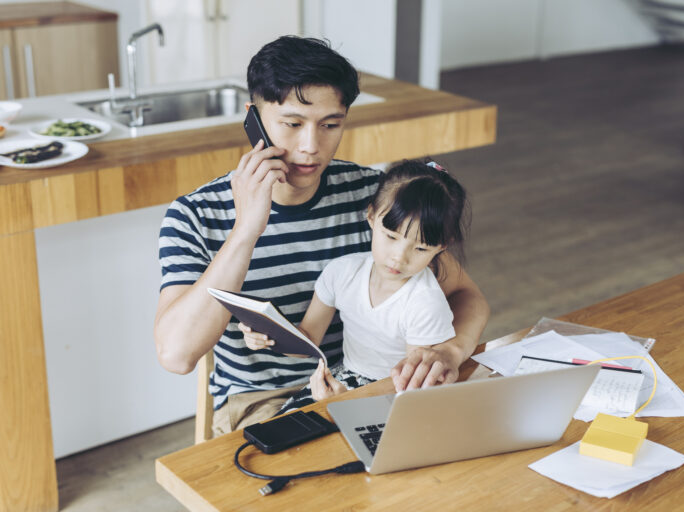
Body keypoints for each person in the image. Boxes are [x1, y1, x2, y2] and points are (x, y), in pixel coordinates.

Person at [154, 35, 490, 436]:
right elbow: (176, 356)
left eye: (330, 125)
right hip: (265, 401)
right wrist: (246, 230)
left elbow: (466, 294)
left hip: (367, 385)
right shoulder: (194, 214)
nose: (311, 147)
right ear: (254, 118)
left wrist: (452, 350)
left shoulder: (374, 196)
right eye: (292, 124)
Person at [243, 160, 468, 413]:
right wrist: (270, 335)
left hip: (394, 395)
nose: (399, 257)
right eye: (391, 237)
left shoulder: (424, 302)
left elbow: (413, 388)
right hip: (344, 379)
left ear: (442, 247)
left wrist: (349, 400)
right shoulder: (342, 272)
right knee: (286, 428)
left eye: (420, 248)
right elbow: (308, 338)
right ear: (371, 216)